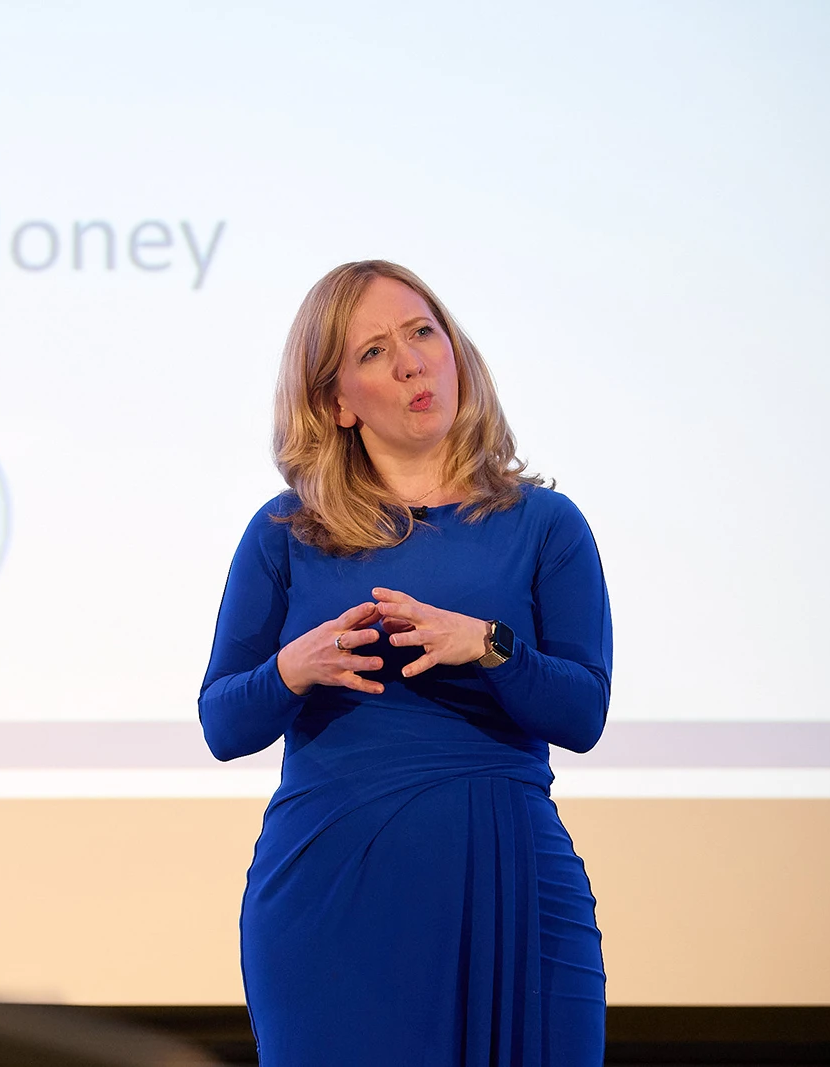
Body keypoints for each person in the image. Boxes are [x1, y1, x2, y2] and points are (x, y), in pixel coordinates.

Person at [199, 260, 611, 1066]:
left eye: (423, 332)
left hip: (509, 879)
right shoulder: (286, 532)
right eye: (375, 351)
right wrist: (293, 667)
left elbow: (583, 714)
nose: (413, 361)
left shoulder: (547, 524)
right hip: (331, 894)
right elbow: (222, 722)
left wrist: (488, 646)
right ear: (337, 402)